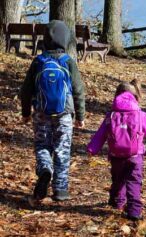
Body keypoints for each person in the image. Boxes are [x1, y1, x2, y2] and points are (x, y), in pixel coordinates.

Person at [20, 20, 85, 204]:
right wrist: (80, 116)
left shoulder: (38, 62)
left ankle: (45, 170)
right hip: (64, 114)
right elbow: (78, 90)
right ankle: (60, 190)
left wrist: (26, 113)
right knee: (62, 150)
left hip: (41, 112)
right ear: (65, 39)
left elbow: (26, 90)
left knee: (42, 146)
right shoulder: (68, 62)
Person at [87, 80, 146, 221]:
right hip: (135, 156)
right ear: (136, 96)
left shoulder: (111, 116)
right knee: (134, 182)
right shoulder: (141, 115)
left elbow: (100, 135)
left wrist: (92, 148)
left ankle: (117, 202)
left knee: (118, 179)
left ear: (117, 96)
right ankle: (134, 211)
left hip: (116, 155)